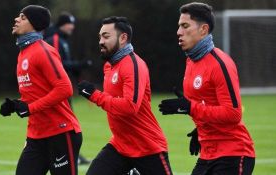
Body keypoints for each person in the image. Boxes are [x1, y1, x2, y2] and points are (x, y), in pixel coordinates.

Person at [158, 2, 255, 175]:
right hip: (208, 154)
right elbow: (207, 103)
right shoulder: (191, 61)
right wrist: (200, 129)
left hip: (234, 154)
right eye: (179, 26)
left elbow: (233, 113)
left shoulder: (220, 64)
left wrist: (190, 107)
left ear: (203, 30)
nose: (179, 32)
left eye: (185, 26)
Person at [77, 16, 173, 175]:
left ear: (123, 38)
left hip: (148, 147)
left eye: (106, 36)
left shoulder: (134, 65)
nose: (101, 41)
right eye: (100, 36)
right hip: (120, 146)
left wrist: (95, 95)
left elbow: (130, 107)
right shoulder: (109, 66)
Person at [0, 5, 82, 175]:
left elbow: (65, 89)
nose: (16, 19)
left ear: (34, 24)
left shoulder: (43, 51)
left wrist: (30, 108)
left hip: (61, 132)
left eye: (22, 17)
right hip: (36, 135)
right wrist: (16, 105)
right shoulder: (23, 52)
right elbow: (36, 93)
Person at [44, 11, 91, 165]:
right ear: (62, 25)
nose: (72, 27)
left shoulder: (63, 40)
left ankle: (73, 154)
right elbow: (58, 64)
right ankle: (69, 154)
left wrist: (77, 71)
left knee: (67, 122)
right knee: (66, 122)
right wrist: (80, 65)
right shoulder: (56, 40)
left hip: (62, 89)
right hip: (58, 90)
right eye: (69, 24)